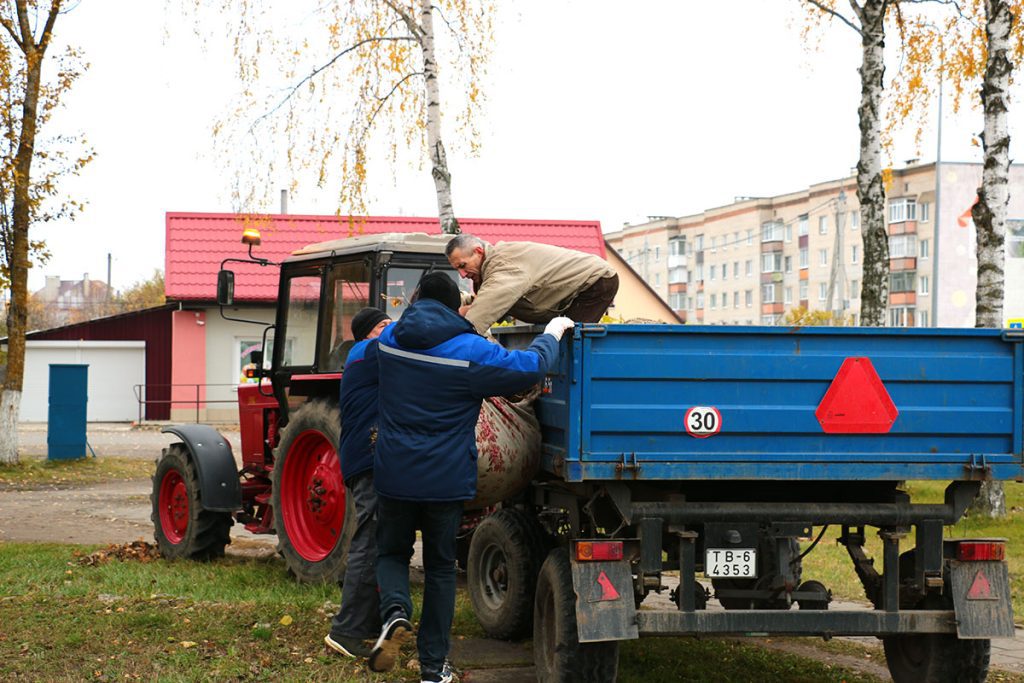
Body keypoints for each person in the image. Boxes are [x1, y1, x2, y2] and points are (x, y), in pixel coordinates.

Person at [368, 272, 574, 683]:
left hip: (394, 473)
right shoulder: (470, 352)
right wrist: (553, 331)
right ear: (453, 306)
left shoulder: (387, 343)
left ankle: (394, 613)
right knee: (441, 568)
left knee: (391, 554)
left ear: (415, 299)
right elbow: (529, 368)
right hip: (445, 479)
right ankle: (432, 668)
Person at [323, 307, 392, 659]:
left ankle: (369, 623)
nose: (391, 328)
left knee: (379, 538)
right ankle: (346, 630)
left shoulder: (368, 355)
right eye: (384, 325)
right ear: (368, 333)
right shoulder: (366, 352)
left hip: (368, 455)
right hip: (368, 457)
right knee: (369, 537)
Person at [446, 234, 619, 335]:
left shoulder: (503, 265)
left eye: (463, 266)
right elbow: (483, 299)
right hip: (574, 291)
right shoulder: (491, 269)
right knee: (556, 339)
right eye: (457, 269)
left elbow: (482, 311)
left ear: (478, 252)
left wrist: (450, 336)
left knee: (568, 340)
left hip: (596, 281)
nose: (462, 274)